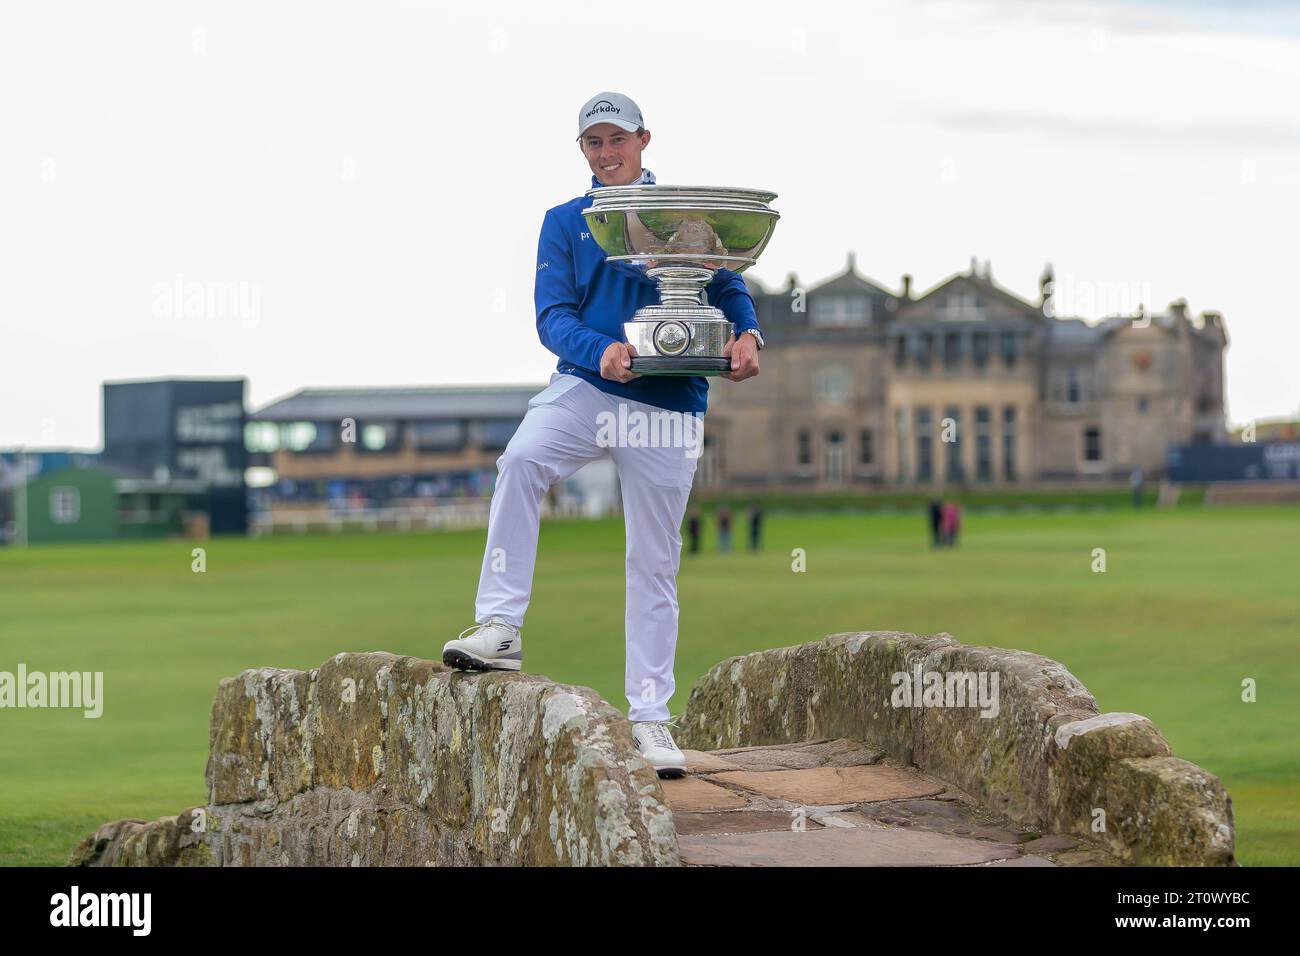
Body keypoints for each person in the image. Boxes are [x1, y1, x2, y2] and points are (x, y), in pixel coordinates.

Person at [440, 92, 764, 777]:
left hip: (670, 401)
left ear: (644, 139)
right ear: (582, 150)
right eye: (594, 143)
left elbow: (727, 287)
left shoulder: (685, 212)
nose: (606, 152)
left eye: (617, 139)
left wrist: (750, 333)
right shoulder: (564, 222)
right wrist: (602, 352)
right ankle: (499, 626)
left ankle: (650, 720)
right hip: (589, 385)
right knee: (521, 461)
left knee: (654, 561)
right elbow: (552, 317)